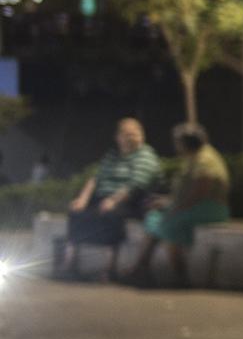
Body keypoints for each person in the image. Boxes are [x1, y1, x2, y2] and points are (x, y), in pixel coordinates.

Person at [125, 124, 230, 286]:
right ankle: (142, 267)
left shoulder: (205, 160)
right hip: (192, 206)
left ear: (186, 143)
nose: (176, 146)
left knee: (168, 223)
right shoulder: (192, 158)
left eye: (178, 142)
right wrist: (166, 202)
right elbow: (185, 193)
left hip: (210, 208)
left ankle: (181, 276)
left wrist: (174, 209)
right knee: (154, 217)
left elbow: (200, 193)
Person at [55, 117, 160, 279]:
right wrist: (82, 198)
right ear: (118, 137)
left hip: (132, 200)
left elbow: (136, 184)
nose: (132, 138)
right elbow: (96, 178)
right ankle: (70, 261)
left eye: (135, 134)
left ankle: (109, 267)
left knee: (112, 215)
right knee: (76, 212)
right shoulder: (112, 156)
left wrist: (113, 200)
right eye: (127, 134)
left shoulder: (145, 155)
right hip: (105, 197)